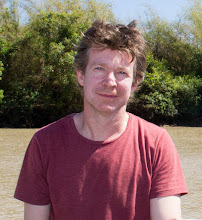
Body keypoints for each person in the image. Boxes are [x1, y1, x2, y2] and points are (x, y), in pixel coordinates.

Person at [14, 20, 188, 220]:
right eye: (99, 69)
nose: (110, 82)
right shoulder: (43, 143)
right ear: (81, 75)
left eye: (122, 72)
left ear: (135, 83)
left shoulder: (157, 144)